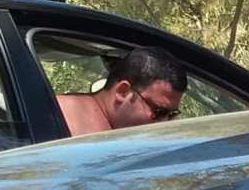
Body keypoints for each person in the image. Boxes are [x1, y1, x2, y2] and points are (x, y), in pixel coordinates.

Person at [58, 47, 187, 135]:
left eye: (171, 115)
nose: (164, 124)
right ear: (123, 91)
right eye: (159, 112)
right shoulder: (63, 117)